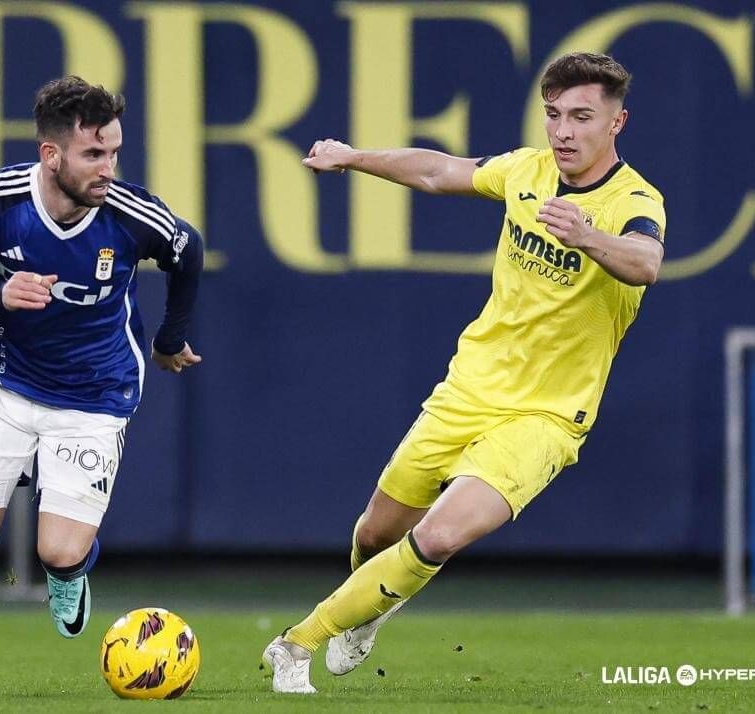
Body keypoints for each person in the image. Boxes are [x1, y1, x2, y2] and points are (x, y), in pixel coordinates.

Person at [263, 52, 666, 694]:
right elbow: (438, 170)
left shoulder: (635, 201)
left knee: (440, 534)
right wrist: (354, 156)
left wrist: (589, 238)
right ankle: (367, 613)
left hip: (548, 415)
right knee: (375, 534)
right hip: (469, 389)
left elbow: (645, 261)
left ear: (618, 122)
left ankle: (297, 643)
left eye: (582, 117)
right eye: (554, 115)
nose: (563, 131)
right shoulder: (526, 171)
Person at [0, 76, 203, 697]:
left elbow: (189, 250)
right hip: (2, 383)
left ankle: (68, 571)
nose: (109, 169)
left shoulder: (129, 215)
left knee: (58, 551)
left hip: (94, 395)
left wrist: (167, 338)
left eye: (115, 153)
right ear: (52, 155)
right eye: (93, 155)